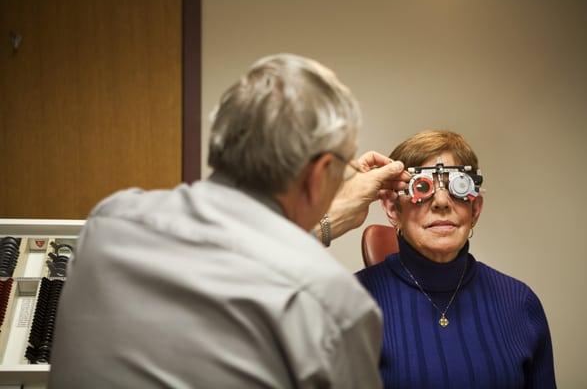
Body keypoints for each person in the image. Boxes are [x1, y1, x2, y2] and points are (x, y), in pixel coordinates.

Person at [48, 54, 408, 388]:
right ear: (318, 175)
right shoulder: (332, 304)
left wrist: (325, 222)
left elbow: (225, 253)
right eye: (343, 166)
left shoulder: (108, 223)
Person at [356, 130, 556, 388]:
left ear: (476, 209)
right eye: (423, 186)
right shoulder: (350, 303)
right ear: (393, 208)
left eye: (458, 186)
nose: (441, 201)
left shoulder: (520, 303)